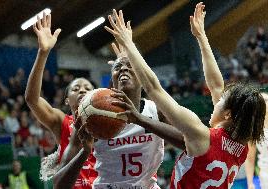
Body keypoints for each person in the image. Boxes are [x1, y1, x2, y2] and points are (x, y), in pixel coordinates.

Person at [105, 3, 266, 188]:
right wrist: (202, 38)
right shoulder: (241, 146)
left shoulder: (201, 136)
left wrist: (129, 44)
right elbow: (216, 85)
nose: (216, 98)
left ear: (228, 114)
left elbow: (153, 88)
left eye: (221, 100)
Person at [53, 11, 185, 189]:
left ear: (141, 75)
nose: (123, 68)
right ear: (112, 81)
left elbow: (190, 143)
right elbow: (59, 185)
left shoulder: (156, 110)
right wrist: (85, 152)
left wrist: (140, 120)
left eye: (130, 65)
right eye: (118, 67)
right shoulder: (89, 117)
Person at [24, 12, 95, 180]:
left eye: (87, 88)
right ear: (66, 100)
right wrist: (43, 53)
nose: (82, 90)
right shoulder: (61, 122)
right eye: (76, 88)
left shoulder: (108, 122)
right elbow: (32, 99)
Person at [245, 92, 268, 189]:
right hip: (266, 176)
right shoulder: (253, 129)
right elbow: (250, 158)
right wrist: (250, 183)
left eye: (265, 100)